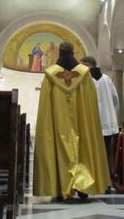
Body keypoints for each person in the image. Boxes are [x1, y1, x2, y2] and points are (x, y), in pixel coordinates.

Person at [33, 42, 110, 200]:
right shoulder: (85, 74)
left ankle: (60, 186)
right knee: (83, 144)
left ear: (59, 53)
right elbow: (91, 104)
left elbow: (46, 108)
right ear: (73, 53)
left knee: (58, 144)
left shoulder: (50, 75)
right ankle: (83, 186)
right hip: (81, 120)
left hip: (58, 120)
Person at [80, 56, 119, 169]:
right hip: (106, 124)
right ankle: (105, 180)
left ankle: (93, 180)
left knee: (90, 153)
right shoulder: (106, 79)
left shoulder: (84, 79)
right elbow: (115, 99)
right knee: (105, 153)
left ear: (87, 65)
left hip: (90, 123)